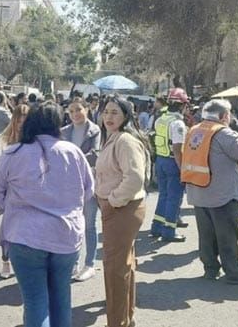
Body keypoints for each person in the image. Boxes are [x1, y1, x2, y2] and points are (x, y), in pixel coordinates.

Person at [0, 101, 93, 327]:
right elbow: (88, 191)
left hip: (25, 236)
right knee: (61, 299)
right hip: (66, 236)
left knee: (36, 302)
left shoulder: (14, 152)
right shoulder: (73, 152)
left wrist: (14, 208)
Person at [182, 99, 238, 284]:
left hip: (198, 191)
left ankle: (210, 269)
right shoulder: (224, 133)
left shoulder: (194, 130)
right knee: (227, 236)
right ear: (224, 116)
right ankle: (234, 273)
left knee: (206, 236)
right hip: (221, 195)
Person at [95, 96, 150, 327]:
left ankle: (117, 322)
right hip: (118, 208)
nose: (109, 117)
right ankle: (125, 319)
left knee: (115, 270)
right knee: (122, 266)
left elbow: (135, 178)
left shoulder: (125, 140)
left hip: (122, 209)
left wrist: (113, 201)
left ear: (126, 116)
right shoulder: (114, 137)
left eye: (115, 112)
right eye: (106, 111)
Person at [61, 97, 102, 282]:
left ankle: (89, 264)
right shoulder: (64, 132)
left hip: (88, 183)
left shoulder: (95, 130)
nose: (75, 114)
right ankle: (73, 262)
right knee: (71, 225)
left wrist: (71, 159)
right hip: (68, 185)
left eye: (78, 109)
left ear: (86, 109)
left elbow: (94, 155)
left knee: (90, 225)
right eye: (71, 111)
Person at [0, 104, 29, 280]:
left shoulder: (32, 138)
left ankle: (22, 262)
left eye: (25, 121)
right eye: (19, 121)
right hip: (9, 187)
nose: (21, 124)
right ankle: (5, 260)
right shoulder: (4, 138)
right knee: (8, 226)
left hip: (28, 188)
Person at [150, 88, 190, 243]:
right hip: (173, 162)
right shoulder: (178, 123)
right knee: (174, 198)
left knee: (163, 195)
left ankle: (157, 227)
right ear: (182, 105)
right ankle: (169, 231)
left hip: (161, 160)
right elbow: (177, 149)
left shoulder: (160, 119)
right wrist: (183, 169)